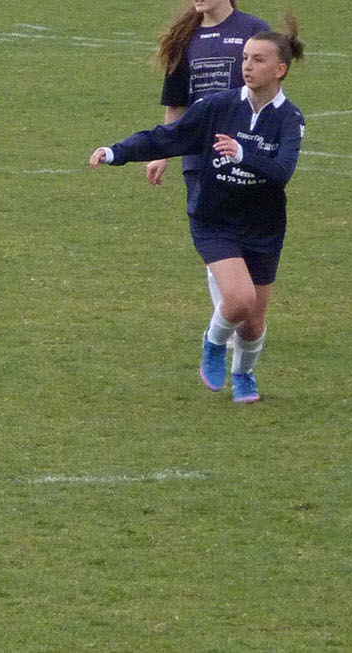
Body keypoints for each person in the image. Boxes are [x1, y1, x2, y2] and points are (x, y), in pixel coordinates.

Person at [90, 21, 306, 404]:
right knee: (239, 300)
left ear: (280, 69)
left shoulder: (290, 118)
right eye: (245, 58)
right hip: (215, 219)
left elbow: (281, 172)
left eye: (258, 59)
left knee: (253, 324)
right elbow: (167, 137)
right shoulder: (219, 106)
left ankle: (244, 375)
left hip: (263, 226)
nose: (247, 65)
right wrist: (116, 152)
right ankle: (213, 342)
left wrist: (242, 154)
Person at [147, 0, 269, 311]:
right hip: (200, 159)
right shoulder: (185, 39)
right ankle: (227, 318)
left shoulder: (253, 30)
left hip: (248, 154)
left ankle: (243, 317)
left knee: (248, 238)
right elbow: (176, 104)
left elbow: (271, 90)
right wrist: (162, 152)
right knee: (216, 241)